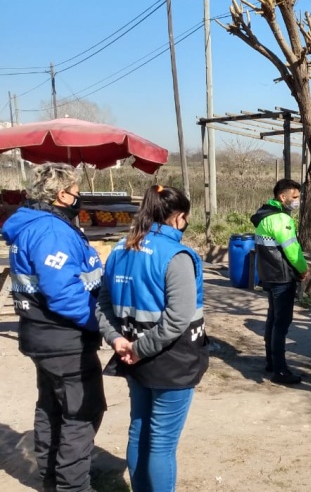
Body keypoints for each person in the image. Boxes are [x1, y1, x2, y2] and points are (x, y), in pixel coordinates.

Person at [96, 185, 208, 492]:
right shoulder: (177, 254)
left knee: (139, 430)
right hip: (170, 360)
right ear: (178, 218)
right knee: (161, 444)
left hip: (131, 354)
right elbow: (178, 318)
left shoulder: (121, 247)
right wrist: (139, 349)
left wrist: (118, 341)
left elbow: (102, 304)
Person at [1, 163, 105, 492]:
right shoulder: (50, 231)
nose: (79, 197)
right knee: (81, 413)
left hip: (41, 334)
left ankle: (51, 476)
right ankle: (72, 486)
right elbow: (63, 294)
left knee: (51, 406)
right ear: (62, 195)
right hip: (63, 338)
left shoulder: (36, 224)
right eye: (76, 191)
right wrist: (103, 323)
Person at [251, 179, 309, 384]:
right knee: (281, 324)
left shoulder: (264, 215)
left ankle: (271, 362)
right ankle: (280, 370)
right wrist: (303, 269)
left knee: (273, 319)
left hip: (269, 274)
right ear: (282, 197)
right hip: (282, 276)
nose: (297, 201)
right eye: (294, 197)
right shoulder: (280, 220)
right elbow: (292, 251)